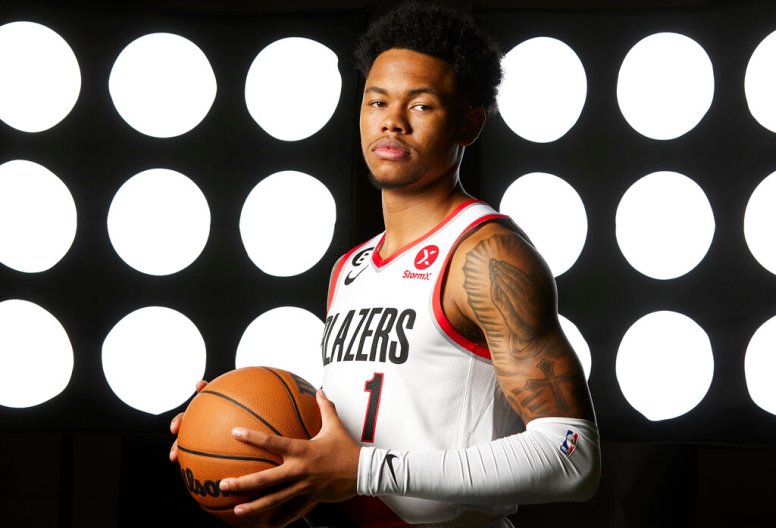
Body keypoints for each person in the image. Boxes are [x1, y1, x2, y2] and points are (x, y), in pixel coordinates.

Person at [170, 2, 600, 527]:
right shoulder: (350, 268)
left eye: (420, 106)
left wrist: (368, 471)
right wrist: (232, 429)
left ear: (468, 123)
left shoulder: (486, 256)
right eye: (377, 101)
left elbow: (573, 457)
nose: (391, 122)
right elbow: (354, 437)